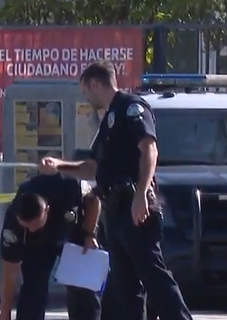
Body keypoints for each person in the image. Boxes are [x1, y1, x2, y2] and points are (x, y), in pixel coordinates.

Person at [38, 61, 192, 320]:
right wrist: (60, 165)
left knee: (153, 275)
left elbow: (149, 149)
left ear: (95, 84)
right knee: (126, 287)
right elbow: (93, 168)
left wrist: (141, 194)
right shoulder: (109, 120)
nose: (86, 98)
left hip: (135, 206)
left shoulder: (131, 108)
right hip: (115, 211)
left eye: (86, 91)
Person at [0, 173, 102, 320]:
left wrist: (90, 234)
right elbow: (9, 273)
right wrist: (5, 312)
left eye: (35, 224)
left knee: (83, 287)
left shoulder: (69, 187)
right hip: (37, 245)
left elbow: (93, 199)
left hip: (72, 231)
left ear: (47, 210)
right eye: (27, 226)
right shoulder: (13, 225)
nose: (32, 229)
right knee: (33, 288)